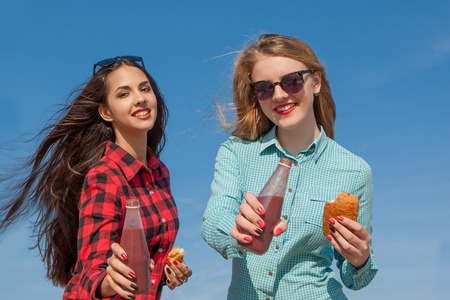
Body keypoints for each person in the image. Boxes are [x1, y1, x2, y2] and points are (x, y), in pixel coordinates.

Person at [201, 34, 378, 299]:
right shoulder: (236, 152)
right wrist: (237, 230)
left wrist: (360, 258)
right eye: (264, 88)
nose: (280, 95)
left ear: (316, 82)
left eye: (292, 81)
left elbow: (355, 278)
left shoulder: (355, 170)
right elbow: (213, 221)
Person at [0, 56, 192, 299]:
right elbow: (92, 270)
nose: (140, 98)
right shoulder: (105, 176)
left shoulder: (160, 172)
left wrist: (165, 270)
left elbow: (143, 258)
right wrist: (110, 282)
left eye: (145, 88)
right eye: (124, 94)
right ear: (106, 112)